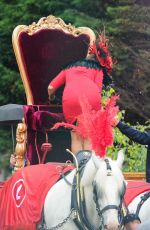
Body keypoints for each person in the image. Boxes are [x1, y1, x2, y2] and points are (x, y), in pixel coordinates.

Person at [48, 34, 113, 155]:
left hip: (70, 100)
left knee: (76, 136)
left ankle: (77, 168)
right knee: (88, 135)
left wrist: (52, 98)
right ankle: (88, 168)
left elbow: (51, 87)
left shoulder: (69, 67)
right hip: (91, 99)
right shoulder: (97, 69)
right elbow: (98, 91)